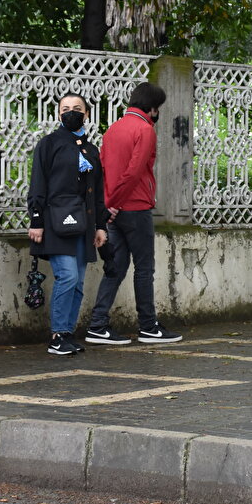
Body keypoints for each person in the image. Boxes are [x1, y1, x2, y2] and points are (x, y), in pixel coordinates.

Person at [84, 82, 182, 345]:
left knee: (115, 268)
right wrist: (114, 203)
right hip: (135, 207)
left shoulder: (113, 129)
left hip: (114, 211)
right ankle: (148, 326)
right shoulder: (145, 130)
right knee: (144, 268)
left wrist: (107, 207)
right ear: (151, 108)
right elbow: (135, 172)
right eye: (157, 108)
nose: (157, 113)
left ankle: (98, 324)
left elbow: (102, 171)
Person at [27, 93, 108, 355]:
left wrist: (100, 226)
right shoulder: (49, 144)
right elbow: (38, 182)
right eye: (65, 108)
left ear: (86, 114)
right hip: (55, 221)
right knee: (68, 276)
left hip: (84, 224)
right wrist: (36, 219)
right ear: (57, 113)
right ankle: (56, 335)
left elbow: (96, 190)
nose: (70, 112)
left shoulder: (91, 149)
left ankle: (67, 333)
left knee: (79, 281)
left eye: (77, 108)